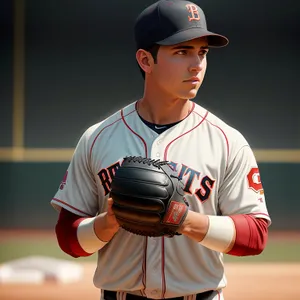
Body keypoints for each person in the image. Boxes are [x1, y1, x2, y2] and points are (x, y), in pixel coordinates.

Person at [51, 1, 271, 299]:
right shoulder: (98, 138)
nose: (197, 64)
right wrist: (109, 221)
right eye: (181, 52)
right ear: (145, 60)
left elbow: (255, 236)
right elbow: (69, 238)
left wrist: (184, 219)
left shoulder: (227, 140)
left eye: (202, 52)